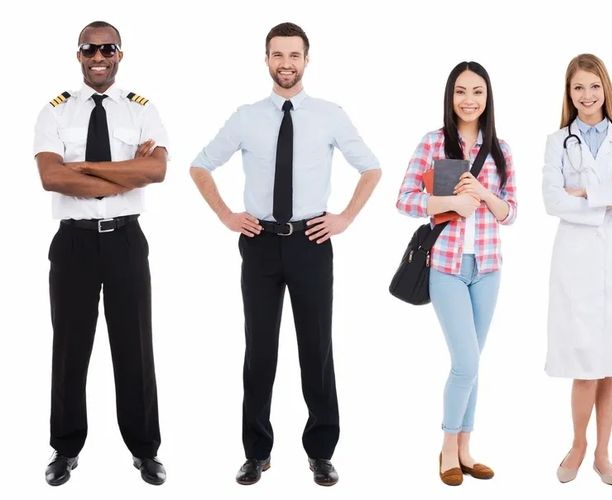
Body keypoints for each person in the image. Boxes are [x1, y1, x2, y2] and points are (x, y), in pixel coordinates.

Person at [190, 22, 383, 487]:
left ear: (306, 59)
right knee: (260, 350)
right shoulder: (246, 116)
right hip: (258, 243)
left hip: (312, 242)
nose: (286, 63)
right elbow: (200, 166)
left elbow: (371, 169)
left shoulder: (329, 114)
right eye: (278, 55)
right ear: (267, 59)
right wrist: (226, 215)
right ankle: (256, 452)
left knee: (316, 348)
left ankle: (320, 451)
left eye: (294, 55)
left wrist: (345, 218)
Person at [35, 20, 168, 487]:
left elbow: (157, 170)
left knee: (134, 346)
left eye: (107, 49)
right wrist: (125, 171)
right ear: (78, 55)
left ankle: (145, 450)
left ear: (119, 54)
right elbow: (52, 178)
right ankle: (64, 448)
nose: (98, 56)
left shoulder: (141, 109)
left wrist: (86, 166)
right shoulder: (55, 111)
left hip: (125, 240)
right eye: (89, 49)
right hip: (72, 243)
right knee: (71, 349)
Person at [395, 61, 516, 486]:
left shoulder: (499, 149)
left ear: (488, 97)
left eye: (477, 91)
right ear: (450, 96)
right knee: (465, 361)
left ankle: (466, 448)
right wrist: (449, 205)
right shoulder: (433, 143)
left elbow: (510, 212)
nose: (469, 99)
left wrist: (482, 194)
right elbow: (405, 200)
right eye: (461, 91)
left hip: (487, 268)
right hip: (445, 266)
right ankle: (448, 446)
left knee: (474, 363)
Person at [543, 53, 612, 486]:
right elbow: (553, 201)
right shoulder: (557, 140)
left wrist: (584, 190)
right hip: (576, 257)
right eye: (578, 88)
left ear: (606, 89)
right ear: (569, 94)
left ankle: (604, 452)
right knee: (585, 361)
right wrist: (609, 194)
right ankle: (578, 443)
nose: (587, 96)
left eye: (594, 86)